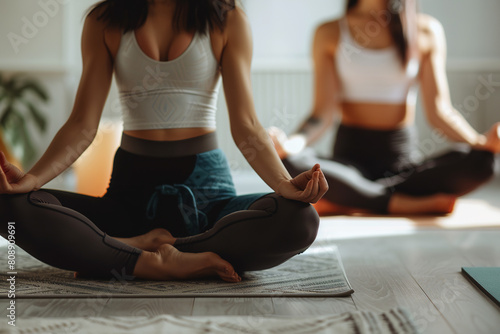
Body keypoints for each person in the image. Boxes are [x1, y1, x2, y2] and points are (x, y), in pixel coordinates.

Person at [0, 0, 328, 282]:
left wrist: (285, 185)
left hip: (209, 199)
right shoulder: (103, 19)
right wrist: (30, 181)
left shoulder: (228, 17)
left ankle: (120, 250)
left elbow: (247, 126)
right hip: (128, 199)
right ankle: (150, 260)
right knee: (8, 204)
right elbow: (83, 126)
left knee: (300, 219)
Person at [269, 0, 499, 216]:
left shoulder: (426, 30)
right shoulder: (329, 32)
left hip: (402, 167)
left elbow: (441, 111)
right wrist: (290, 145)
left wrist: (480, 143)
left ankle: (352, 198)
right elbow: (321, 114)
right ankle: (396, 203)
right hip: (349, 165)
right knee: (289, 162)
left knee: (484, 162)